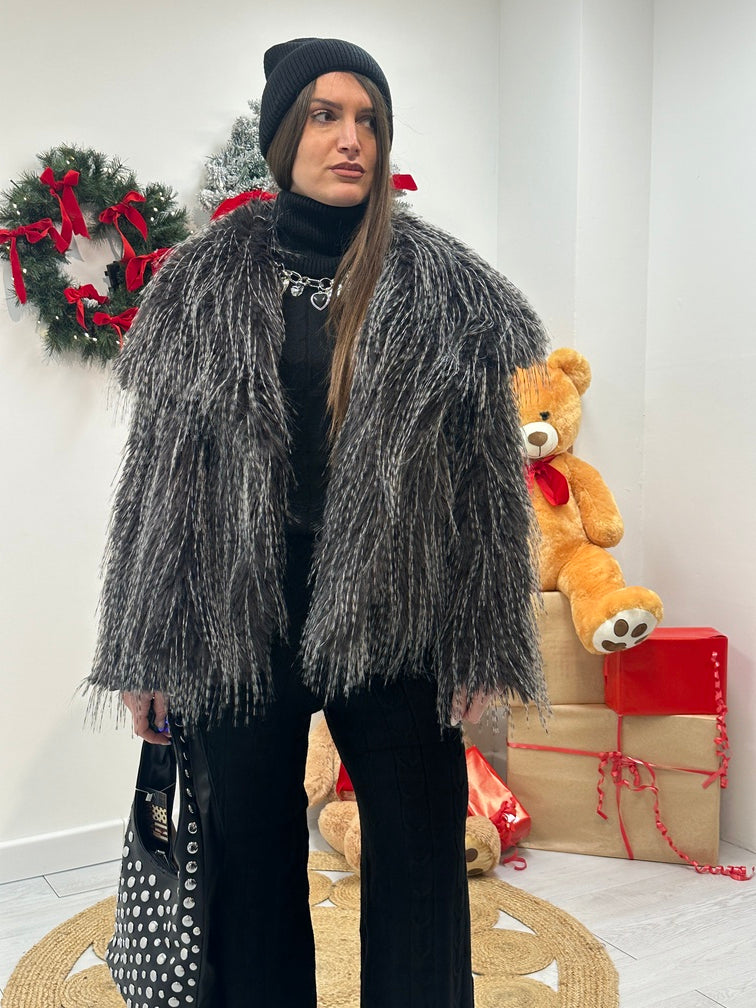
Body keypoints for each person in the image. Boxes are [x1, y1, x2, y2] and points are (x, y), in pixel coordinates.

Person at [87, 37, 549, 1008]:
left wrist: (483, 636)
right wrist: (144, 646)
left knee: (420, 863)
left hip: (398, 611)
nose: (351, 140)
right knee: (248, 867)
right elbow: (155, 489)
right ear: (282, 135)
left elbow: (488, 494)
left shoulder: (444, 294)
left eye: (368, 120)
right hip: (237, 613)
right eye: (326, 116)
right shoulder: (202, 286)